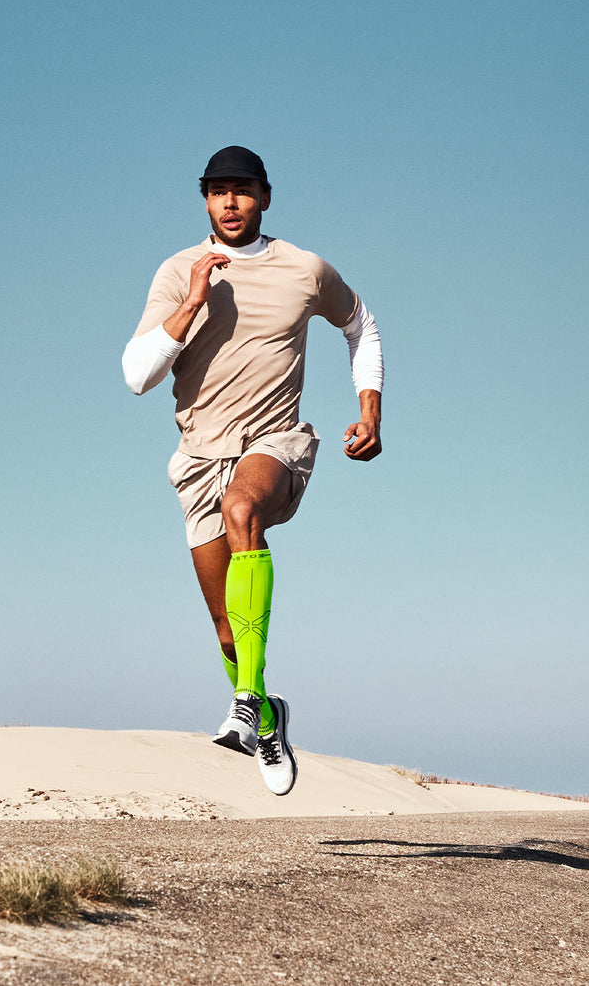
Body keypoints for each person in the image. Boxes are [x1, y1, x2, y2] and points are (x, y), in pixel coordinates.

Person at [122, 146, 383, 796]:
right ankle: (267, 715)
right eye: (218, 192)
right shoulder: (178, 271)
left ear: (265, 196)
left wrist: (369, 407)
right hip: (198, 455)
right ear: (205, 200)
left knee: (242, 508)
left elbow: (360, 324)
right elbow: (136, 377)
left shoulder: (304, 269)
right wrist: (191, 302)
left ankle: (243, 701)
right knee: (225, 628)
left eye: (242, 190)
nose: (230, 202)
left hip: (274, 441)